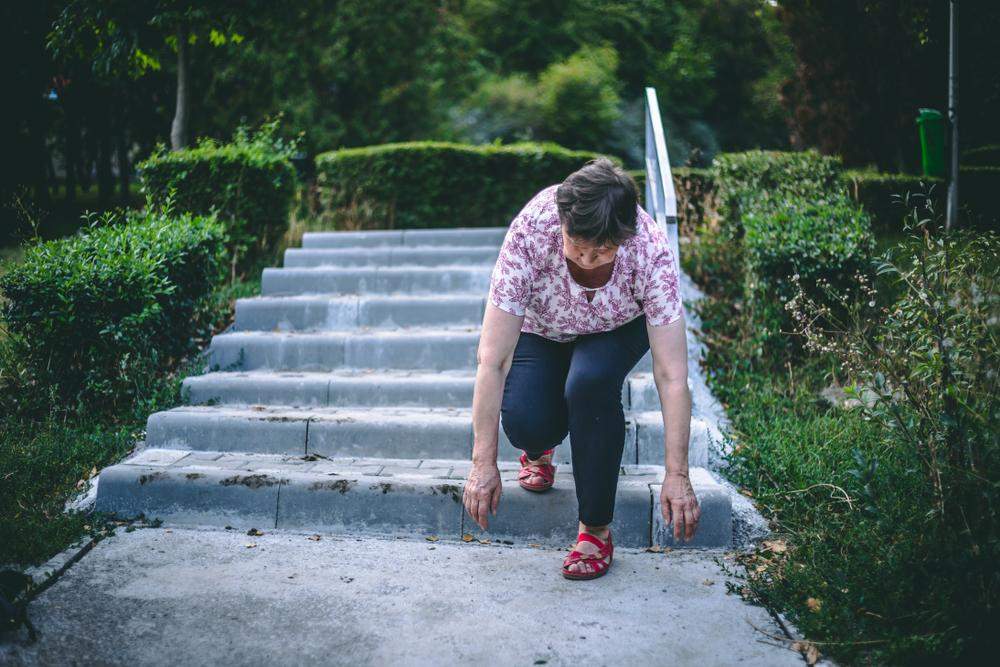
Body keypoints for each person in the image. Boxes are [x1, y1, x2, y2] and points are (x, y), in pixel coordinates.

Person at [463, 157, 701, 580]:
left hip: (616, 326)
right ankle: (538, 451)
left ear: (624, 237)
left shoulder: (649, 248)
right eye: (577, 246)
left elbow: (671, 375)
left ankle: (595, 529)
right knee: (528, 421)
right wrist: (483, 463)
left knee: (588, 384)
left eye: (603, 251)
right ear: (561, 223)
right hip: (545, 326)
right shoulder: (531, 231)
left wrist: (677, 473)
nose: (588, 259)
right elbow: (493, 359)